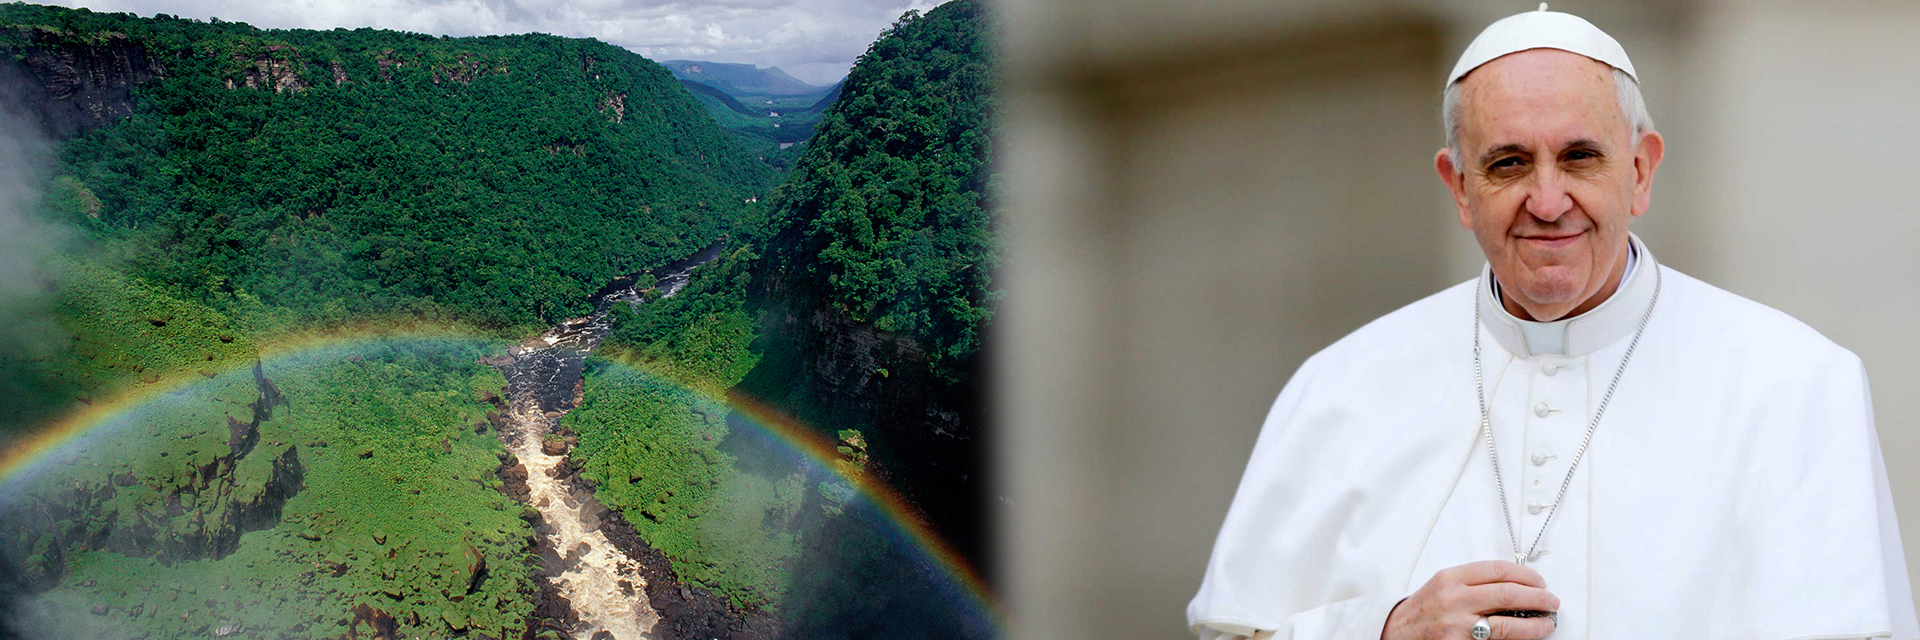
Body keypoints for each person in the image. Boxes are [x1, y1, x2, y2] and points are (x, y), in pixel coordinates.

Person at [1185, 7, 1919, 640]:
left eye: (1580, 158)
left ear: (1641, 170)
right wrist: (1386, 628)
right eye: (1508, 163)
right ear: (1459, 187)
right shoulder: (1339, 388)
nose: (1546, 199)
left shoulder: (1794, 384)